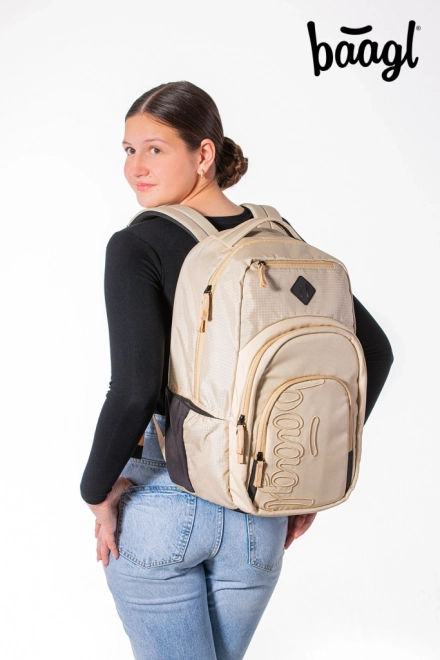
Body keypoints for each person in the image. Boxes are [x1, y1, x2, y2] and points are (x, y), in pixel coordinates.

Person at [80, 80, 394, 660]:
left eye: (155, 149)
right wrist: (308, 475)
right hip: (260, 505)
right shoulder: (277, 238)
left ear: (203, 153)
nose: (135, 167)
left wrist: (95, 492)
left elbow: (134, 389)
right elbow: (374, 351)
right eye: (128, 150)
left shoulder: (138, 243)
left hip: (162, 497)